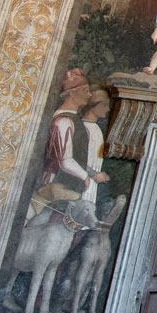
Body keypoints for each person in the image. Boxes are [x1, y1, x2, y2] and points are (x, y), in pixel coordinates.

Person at [28, 70, 107, 216]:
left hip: (67, 182)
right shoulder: (63, 121)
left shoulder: (73, 119)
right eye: (85, 91)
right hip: (56, 181)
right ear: (72, 93)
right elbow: (65, 161)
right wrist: (85, 177)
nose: (89, 95)